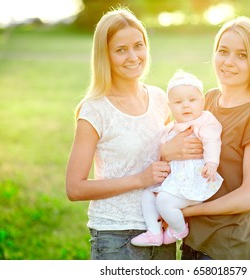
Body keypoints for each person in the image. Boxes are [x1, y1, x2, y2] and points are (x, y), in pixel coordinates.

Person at [161, 16, 250, 260]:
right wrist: (167, 152)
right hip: (192, 242)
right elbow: (172, 146)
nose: (229, 62)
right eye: (223, 51)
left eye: (242, 55)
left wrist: (188, 211)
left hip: (224, 250)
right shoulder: (206, 100)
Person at [65, 7, 178, 260]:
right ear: (105, 56)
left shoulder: (160, 99)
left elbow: (170, 159)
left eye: (139, 46)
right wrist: (141, 179)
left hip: (161, 229)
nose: (133, 56)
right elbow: (74, 188)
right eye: (120, 50)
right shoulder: (94, 109)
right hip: (116, 236)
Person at [130, 70, 223, 247]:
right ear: (170, 106)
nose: (186, 106)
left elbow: (212, 140)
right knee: (148, 195)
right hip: (176, 181)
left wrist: (212, 163)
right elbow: (160, 152)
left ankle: (179, 229)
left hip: (195, 181)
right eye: (178, 102)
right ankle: (154, 232)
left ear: (202, 101)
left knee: (164, 201)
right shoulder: (170, 129)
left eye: (192, 100)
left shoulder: (204, 121)